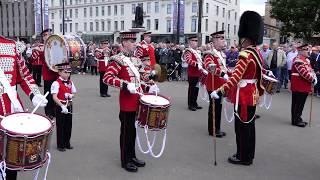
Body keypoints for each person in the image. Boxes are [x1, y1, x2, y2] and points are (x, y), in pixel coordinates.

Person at [211, 11, 266, 166]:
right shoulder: (256, 53)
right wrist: (223, 72)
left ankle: (243, 156)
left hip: (243, 95)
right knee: (250, 126)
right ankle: (249, 154)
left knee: (241, 127)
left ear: (244, 38)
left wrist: (219, 91)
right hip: (252, 93)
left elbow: (235, 78)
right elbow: (242, 73)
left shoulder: (245, 55)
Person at [103, 31, 159, 173]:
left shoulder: (135, 60)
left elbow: (140, 79)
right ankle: (125, 159)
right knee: (126, 132)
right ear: (124, 43)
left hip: (137, 101)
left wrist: (149, 84)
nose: (135, 43)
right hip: (127, 103)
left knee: (133, 132)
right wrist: (125, 84)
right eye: (132, 41)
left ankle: (132, 156)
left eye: (135, 41)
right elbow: (107, 78)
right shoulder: (116, 59)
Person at [0, 36, 48, 180]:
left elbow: (24, 74)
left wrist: (34, 94)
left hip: (10, 111)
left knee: (11, 158)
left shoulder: (10, 45)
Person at [203, 30, 229, 137]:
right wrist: (223, 75)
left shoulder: (221, 54)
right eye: (221, 39)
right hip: (213, 85)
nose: (224, 41)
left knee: (219, 107)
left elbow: (225, 69)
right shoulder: (210, 54)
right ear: (215, 41)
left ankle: (217, 128)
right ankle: (213, 130)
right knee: (214, 108)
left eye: (223, 38)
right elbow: (209, 66)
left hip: (220, 85)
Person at [51, 63, 77, 151]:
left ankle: (67, 142)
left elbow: (74, 93)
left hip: (69, 105)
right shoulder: (56, 83)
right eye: (65, 72)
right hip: (60, 107)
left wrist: (70, 95)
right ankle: (60, 144)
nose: (67, 74)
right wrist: (62, 106)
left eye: (69, 72)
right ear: (59, 72)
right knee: (61, 125)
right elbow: (54, 97)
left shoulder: (70, 82)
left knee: (68, 125)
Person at [290, 44, 317, 127]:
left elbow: (310, 70)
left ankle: (298, 118)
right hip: (299, 85)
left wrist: (314, 75)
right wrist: (312, 79)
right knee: (297, 103)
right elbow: (303, 73)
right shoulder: (299, 60)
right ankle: (296, 120)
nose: (308, 51)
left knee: (301, 103)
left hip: (303, 85)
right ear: (301, 51)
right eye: (306, 50)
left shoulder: (305, 60)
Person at [35, 28, 59, 119]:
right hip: (48, 74)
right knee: (48, 94)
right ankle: (49, 112)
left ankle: (55, 111)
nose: (47, 36)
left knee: (56, 93)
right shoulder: (42, 47)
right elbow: (42, 60)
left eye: (48, 34)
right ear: (43, 37)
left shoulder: (56, 45)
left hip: (56, 73)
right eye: (45, 35)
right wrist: (40, 51)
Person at [183, 36, 207, 111]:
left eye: (196, 41)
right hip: (192, 73)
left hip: (198, 73)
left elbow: (200, 61)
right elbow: (188, 60)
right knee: (192, 89)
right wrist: (197, 64)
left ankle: (194, 103)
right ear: (190, 42)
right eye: (193, 41)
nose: (195, 42)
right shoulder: (188, 51)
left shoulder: (197, 51)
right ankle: (190, 104)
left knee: (196, 89)